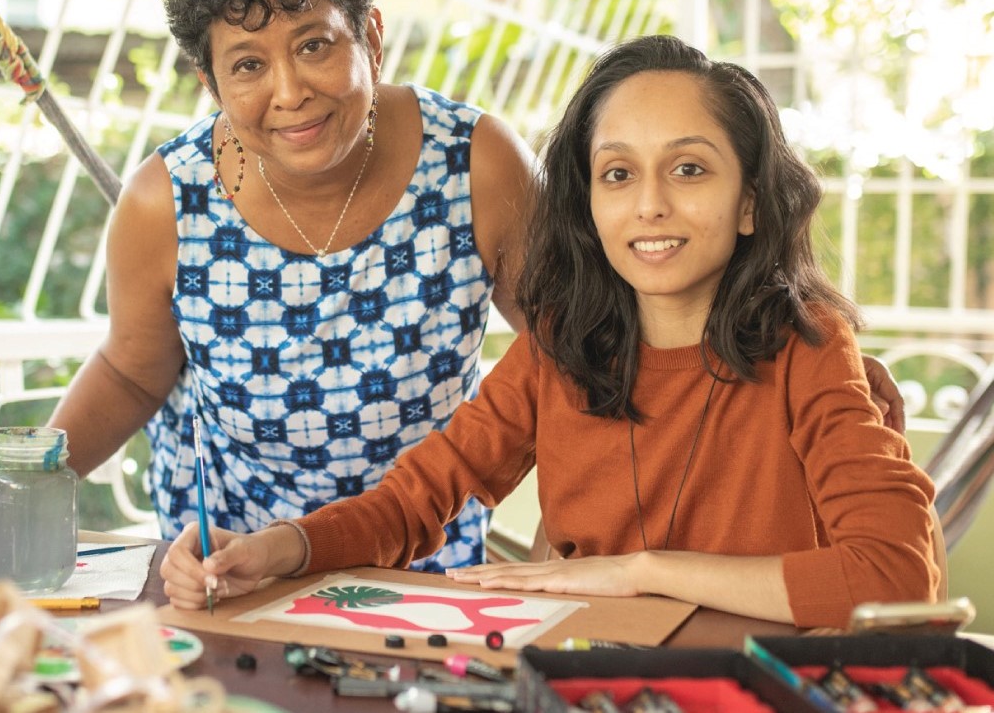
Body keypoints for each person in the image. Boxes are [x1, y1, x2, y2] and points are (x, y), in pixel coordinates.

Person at [0, 0, 906, 569]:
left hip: (423, 564)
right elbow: (131, 369)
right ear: (209, 81)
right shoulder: (166, 200)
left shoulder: (475, 160)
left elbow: (584, 339)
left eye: (316, 43)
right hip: (227, 559)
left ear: (371, 35)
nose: (289, 91)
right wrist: (23, 481)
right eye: (247, 65)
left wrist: (802, 356)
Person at [159, 35, 940, 630]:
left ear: (750, 203)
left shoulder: (811, 348)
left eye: (691, 169)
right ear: (590, 204)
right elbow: (410, 502)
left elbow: (898, 580)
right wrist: (277, 549)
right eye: (618, 173)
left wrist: (638, 571)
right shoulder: (561, 347)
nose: (650, 205)